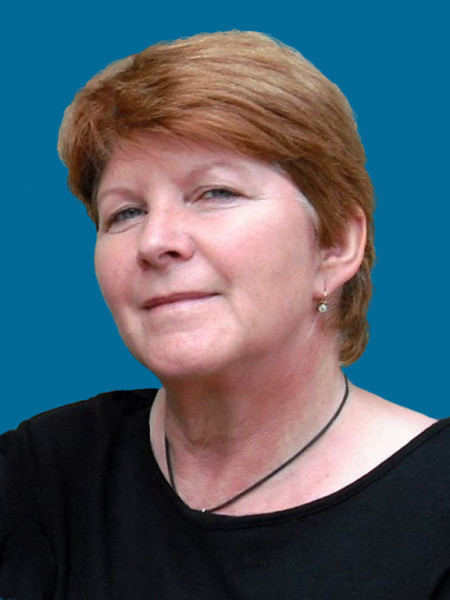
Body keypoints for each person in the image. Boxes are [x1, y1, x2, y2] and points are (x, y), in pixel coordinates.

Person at [1, 30, 449, 600]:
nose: (155, 241)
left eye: (215, 193)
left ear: (335, 243)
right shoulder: (46, 472)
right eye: (126, 212)